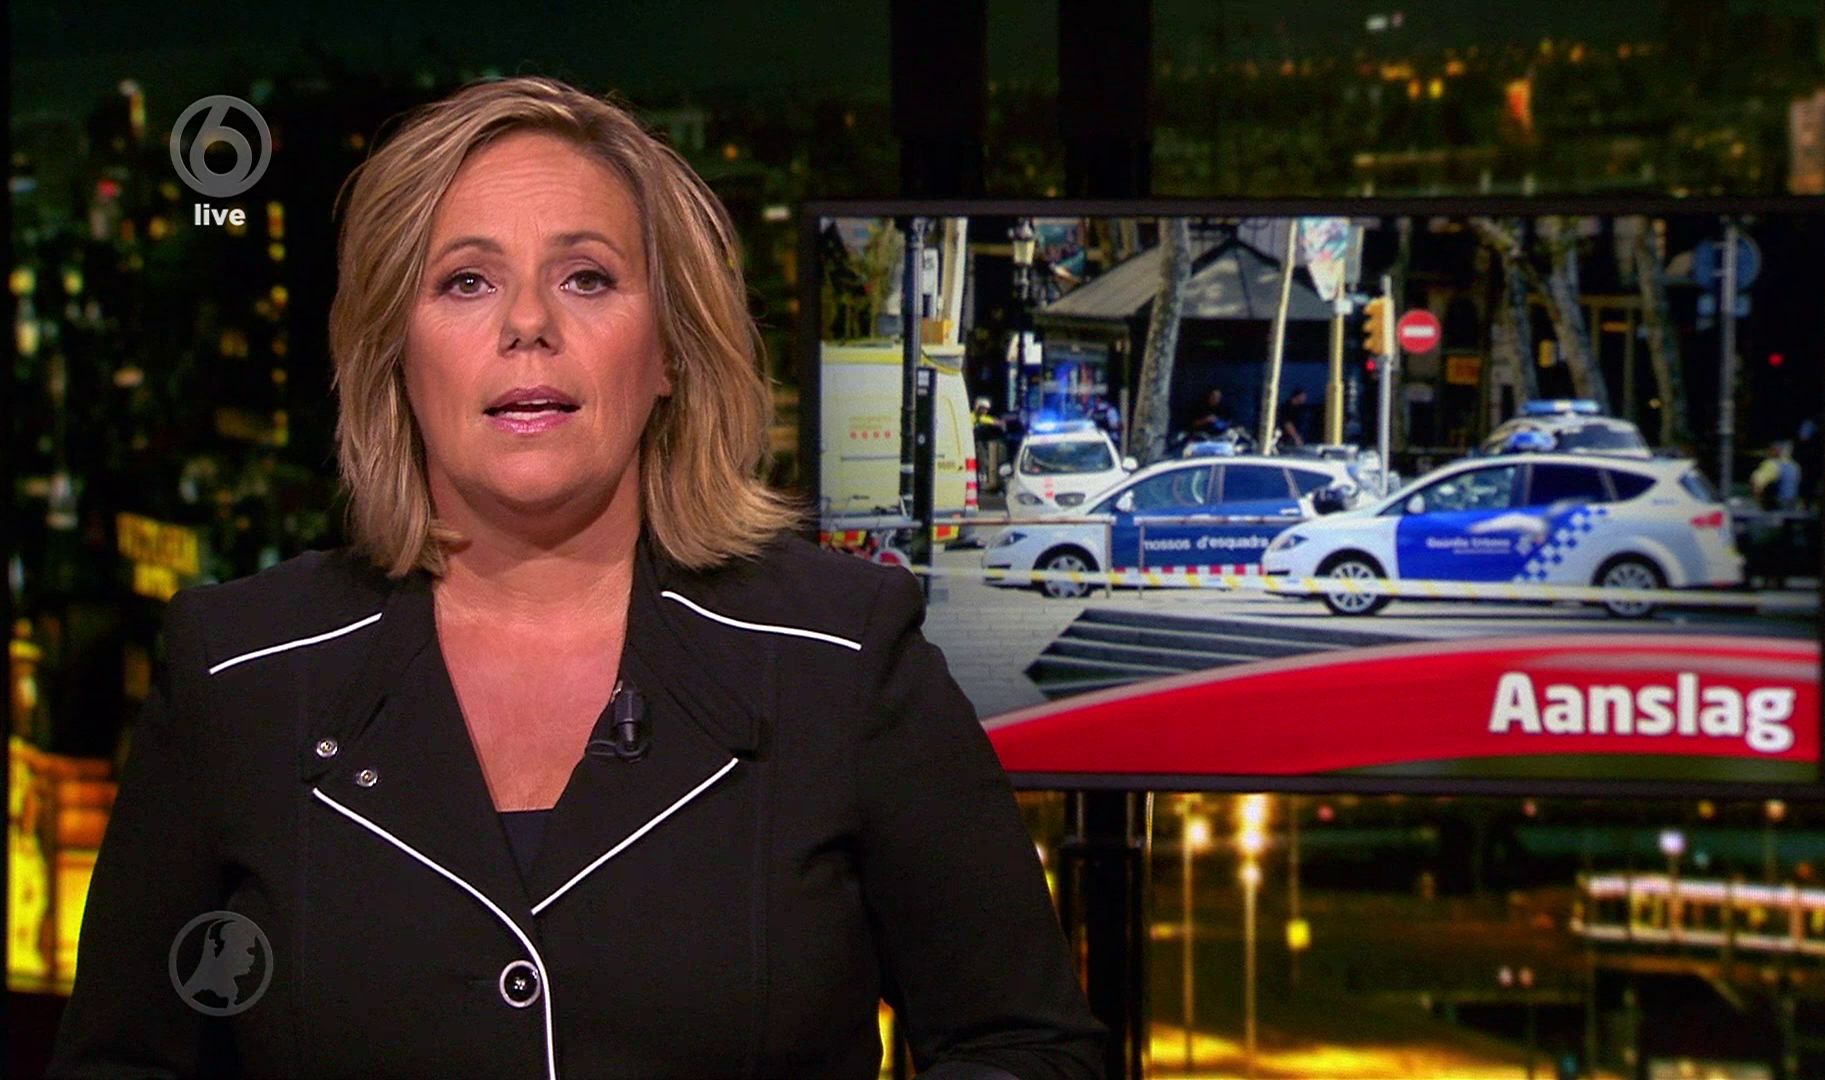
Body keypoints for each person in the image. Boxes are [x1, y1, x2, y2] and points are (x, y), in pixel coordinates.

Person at [48, 76, 1104, 1080]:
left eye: (586, 277)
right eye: (466, 281)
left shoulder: (842, 656)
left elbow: (1028, 1045)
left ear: (670, 351)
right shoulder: (238, 673)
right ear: (393, 355)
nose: (528, 324)